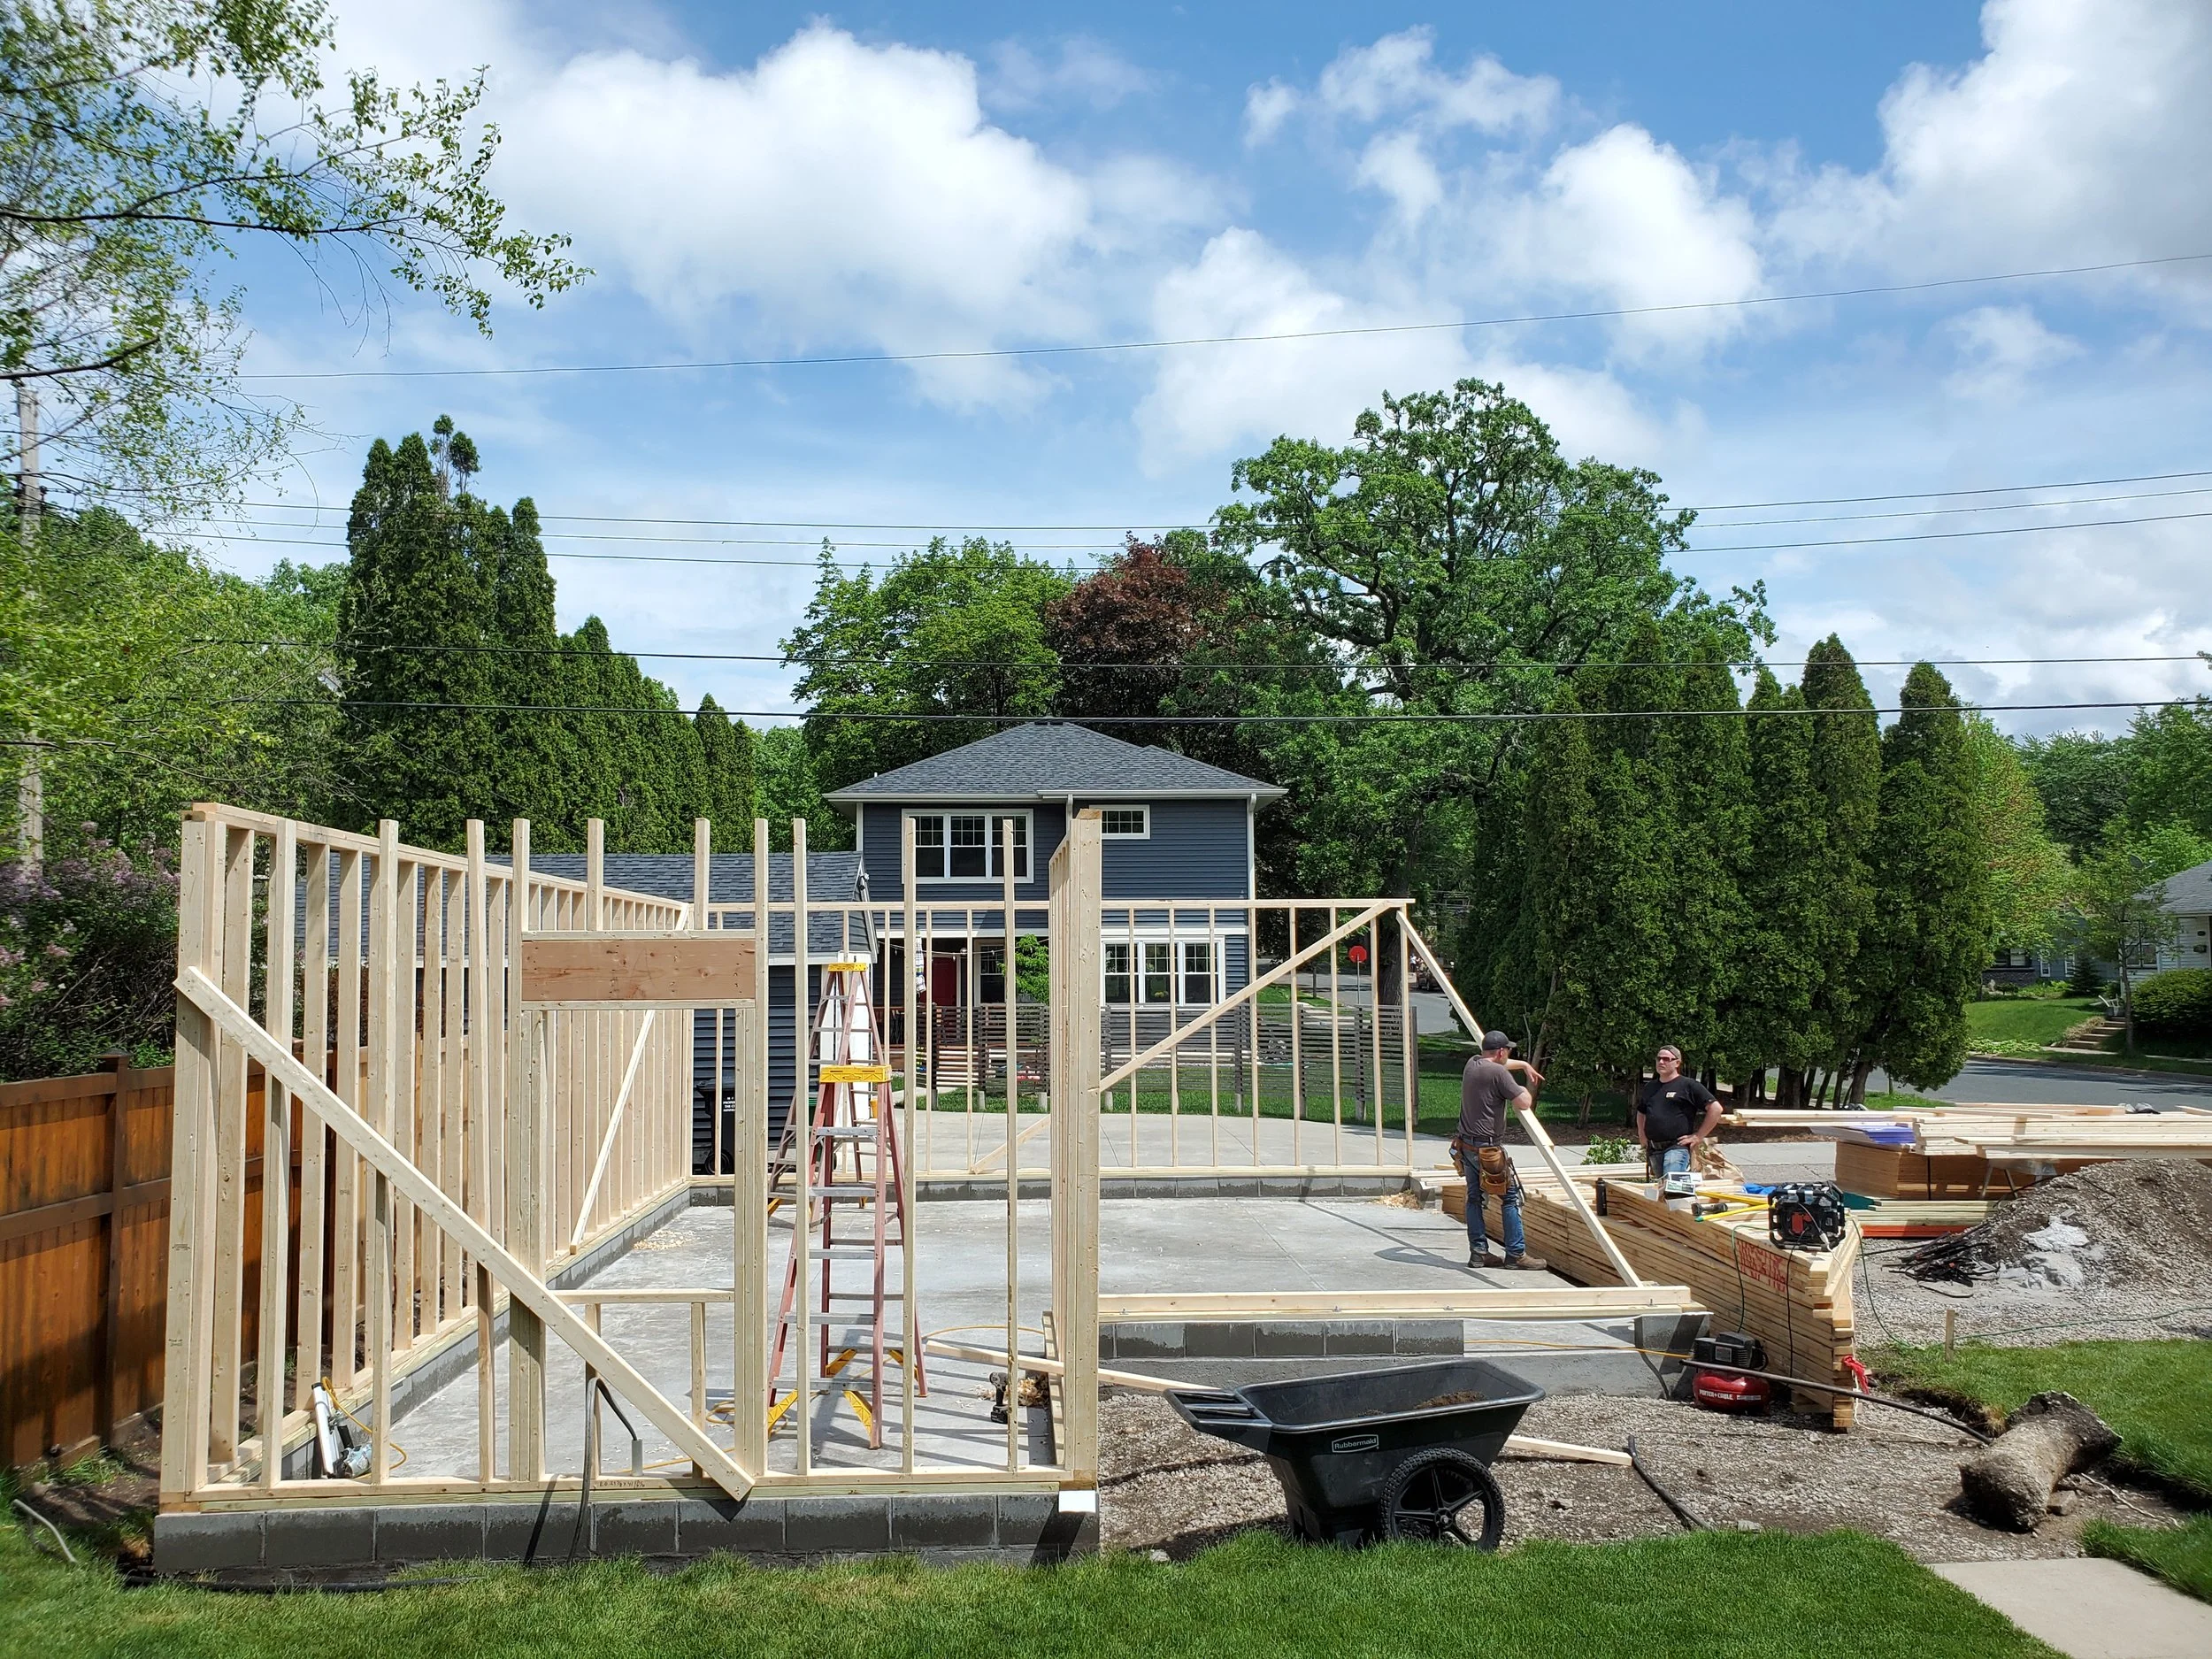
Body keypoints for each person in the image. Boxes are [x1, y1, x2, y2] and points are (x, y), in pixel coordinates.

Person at [1456, 1030, 1548, 1271]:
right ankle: (1516, 1254)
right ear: (1500, 1052)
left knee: (1474, 1198)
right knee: (1510, 1198)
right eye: (1507, 1050)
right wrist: (1525, 1086)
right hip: (1488, 1149)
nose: (1508, 1055)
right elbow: (1524, 1102)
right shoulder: (1498, 1073)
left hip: (1466, 1145)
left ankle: (1478, 1253)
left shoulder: (1472, 1064)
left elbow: (1503, 1064)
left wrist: (1525, 1065)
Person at [1635, 1045, 1722, 1178]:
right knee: (1663, 1190)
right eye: (1659, 1059)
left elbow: (1716, 1109)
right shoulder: (1650, 1087)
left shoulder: (1688, 1085)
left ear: (1677, 1063)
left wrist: (1699, 1136)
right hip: (1655, 1149)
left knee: (1672, 1187)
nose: (1661, 1062)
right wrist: (1642, 1135)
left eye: (1666, 1059)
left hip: (1676, 1148)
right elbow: (1641, 1112)